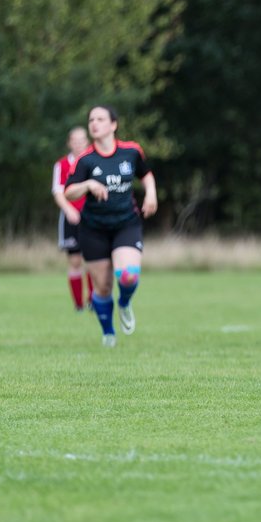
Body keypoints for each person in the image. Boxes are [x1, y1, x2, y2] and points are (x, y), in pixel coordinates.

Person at [64, 105, 157, 347]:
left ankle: (125, 303)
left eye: (100, 119)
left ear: (113, 125)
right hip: (93, 229)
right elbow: (69, 192)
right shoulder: (85, 159)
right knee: (103, 287)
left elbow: (145, 174)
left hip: (126, 224)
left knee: (127, 276)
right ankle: (108, 334)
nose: (94, 123)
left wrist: (151, 195)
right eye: (91, 119)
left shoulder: (131, 152)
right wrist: (88, 185)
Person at [51, 126, 93, 310]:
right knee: (75, 261)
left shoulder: (93, 161)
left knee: (93, 259)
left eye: (82, 140)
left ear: (87, 141)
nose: (78, 144)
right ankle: (78, 304)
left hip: (93, 217)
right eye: (74, 141)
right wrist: (69, 210)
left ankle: (95, 300)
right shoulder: (62, 165)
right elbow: (58, 192)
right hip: (71, 218)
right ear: (69, 143)